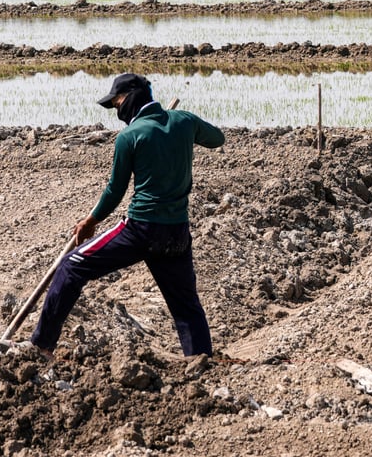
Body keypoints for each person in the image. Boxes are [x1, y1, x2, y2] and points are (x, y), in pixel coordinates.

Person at [28, 73, 225, 360]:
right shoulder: (184, 120)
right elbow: (217, 139)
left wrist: (90, 221)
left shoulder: (130, 136)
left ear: (132, 97)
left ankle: (41, 346)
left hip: (141, 230)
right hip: (177, 233)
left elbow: (114, 191)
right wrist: (184, 128)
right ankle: (201, 360)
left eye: (117, 101)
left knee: (72, 266)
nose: (117, 109)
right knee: (185, 304)